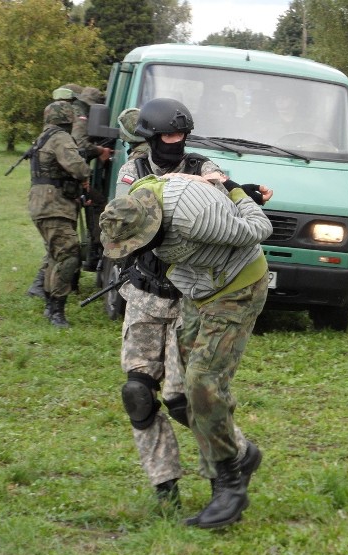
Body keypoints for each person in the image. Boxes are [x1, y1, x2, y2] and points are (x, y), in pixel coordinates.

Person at [110, 101, 267, 510]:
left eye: (178, 136)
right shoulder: (134, 171)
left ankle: (235, 453)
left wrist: (241, 193)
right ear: (149, 137)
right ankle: (165, 486)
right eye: (164, 136)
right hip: (143, 294)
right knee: (138, 393)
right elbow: (129, 217)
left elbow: (225, 211)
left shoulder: (203, 166)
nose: (172, 143)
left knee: (184, 398)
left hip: (190, 296)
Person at [27, 101, 91, 328]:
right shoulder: (60, 137)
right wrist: (87, 170)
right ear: (68, 118)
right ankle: (57, 310)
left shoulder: (43, 136)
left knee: (56, 255)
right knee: (69, 255)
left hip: (41, 203)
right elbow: (78, 167)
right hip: (55, 205)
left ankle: (49, 304)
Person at [73, 86, 113, 272]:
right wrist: (100, 151)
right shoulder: (81, 116)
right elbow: (80, 145)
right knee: (98, 203)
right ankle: (97, 249)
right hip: (72, 175)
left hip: (71, 174)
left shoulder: (73, 111)